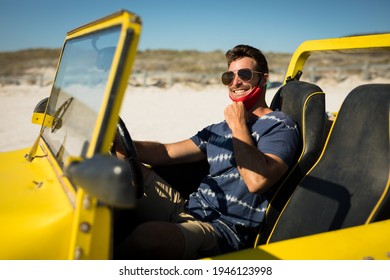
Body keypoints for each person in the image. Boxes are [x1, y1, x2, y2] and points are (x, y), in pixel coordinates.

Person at [116, 45, 300, 259]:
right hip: (190, 209)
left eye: (244, 74)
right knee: (118, 169)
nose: (235, 82)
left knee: (148, 237)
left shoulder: (278, 125)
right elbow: (166, 151)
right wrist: (118, 141)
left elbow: (257, 181)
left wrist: (238, 124)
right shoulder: (219, 129)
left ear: (263, 79)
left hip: (224, 229)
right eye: (228, 76)